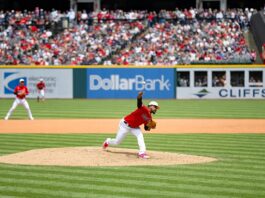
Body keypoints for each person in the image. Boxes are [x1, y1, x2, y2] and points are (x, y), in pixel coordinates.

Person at [102, 91, 159, 159]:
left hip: (135, 127)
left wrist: (150, 127)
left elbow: (146, 128)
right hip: (125, 125)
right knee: (117, 142)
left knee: (140, 136)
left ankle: (142, 153)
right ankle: (108, 141)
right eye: (155, 107)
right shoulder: (144, 109)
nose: (156, 109)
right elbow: (139, 102)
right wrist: (139, 96)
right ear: (151, 106)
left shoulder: (149, 118)